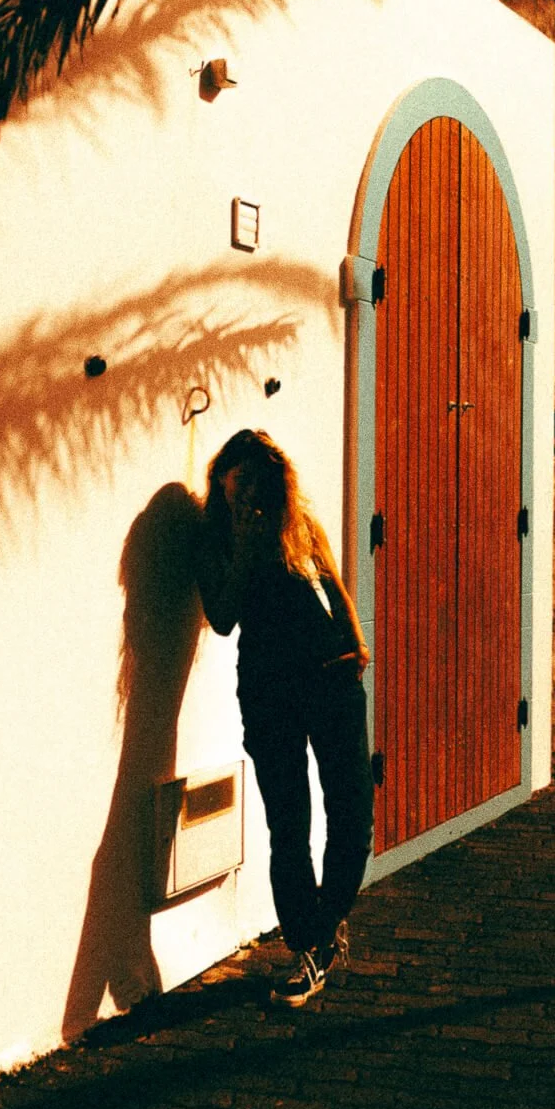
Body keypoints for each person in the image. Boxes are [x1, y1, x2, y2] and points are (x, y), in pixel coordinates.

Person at [196, 429, 374, 1007]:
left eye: (255, 478)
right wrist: (245, 551)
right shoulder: (214, 537)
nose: (244, 488)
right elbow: (221, 617)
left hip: (330, 677)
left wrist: (356, 641)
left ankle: (326, 924)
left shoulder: (299, 523)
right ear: (220, 476)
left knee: (352, 812)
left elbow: (334, 584)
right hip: (269, 690)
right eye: (235, 475)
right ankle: (308, 945)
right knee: (289, 824)